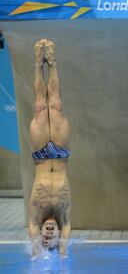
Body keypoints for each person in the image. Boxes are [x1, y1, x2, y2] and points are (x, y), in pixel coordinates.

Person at [29, 39, 71, 258]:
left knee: (39, 107)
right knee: (56, 105)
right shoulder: (63, 216)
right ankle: (52, 62)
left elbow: (33, 228)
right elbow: (68, 227)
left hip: (41, 157)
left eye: (44, 237)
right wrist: (62, 253)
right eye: (50, 239)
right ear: (58, 236)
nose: (47, 235)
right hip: (61, 156)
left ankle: (38, 63)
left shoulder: (37, 212)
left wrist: (36, 253)